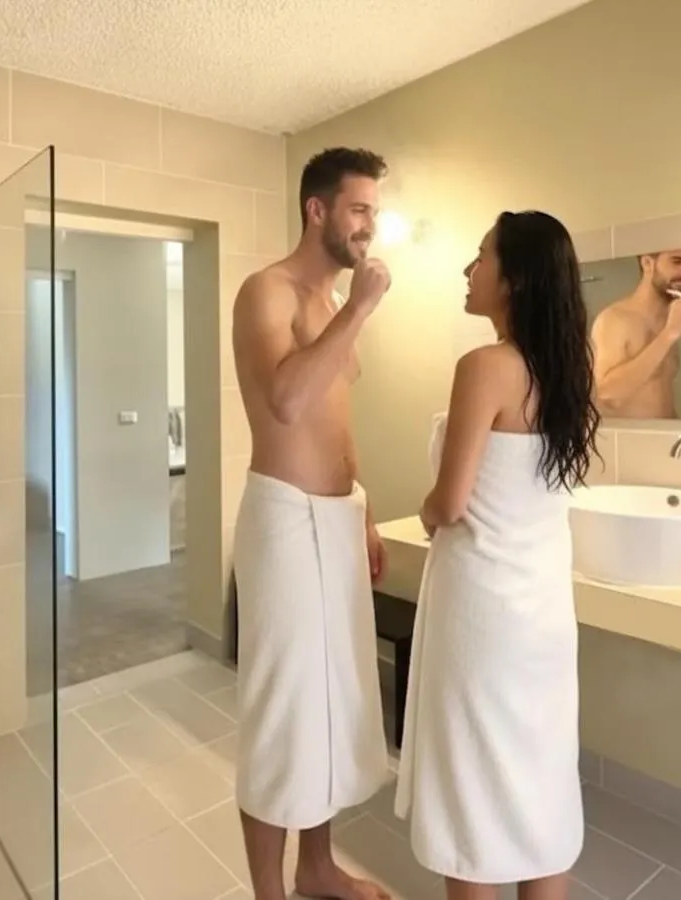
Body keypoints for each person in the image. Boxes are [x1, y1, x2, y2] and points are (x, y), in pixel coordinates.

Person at [395, 210, 601, 900]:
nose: (467, 268)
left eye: (480, 255)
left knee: (473, 793)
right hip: (541, 612)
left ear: (512, 277)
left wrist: (425, 514)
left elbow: (448, 503)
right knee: (537, 781)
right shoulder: (566, 374)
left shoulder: (485, 366)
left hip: (482, 612)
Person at [229, 146, 394, 900]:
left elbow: (336, 415)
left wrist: (361, 512)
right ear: (317, 209)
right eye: (358, 209)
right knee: (283, 710)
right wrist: (361, 307)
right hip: (285, 522)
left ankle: (317, 869)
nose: (369, 225)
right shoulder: (268, 290)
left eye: (374, 212)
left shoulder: (328, 307)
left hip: (336, 520)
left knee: (332, 701)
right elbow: (287, 404)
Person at [589, 248, 681, 418]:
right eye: (677, 262)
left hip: (662, 440)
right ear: (647, 263)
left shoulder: (669, 321)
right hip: (626, 442)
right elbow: (607, 396)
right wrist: (668, 334)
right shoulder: (615, 319)